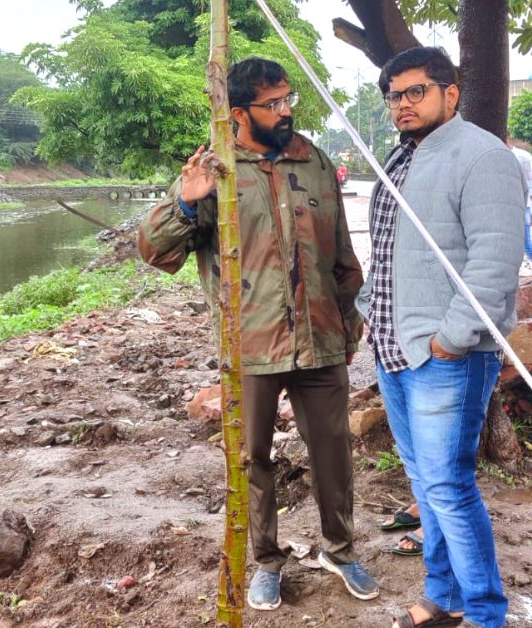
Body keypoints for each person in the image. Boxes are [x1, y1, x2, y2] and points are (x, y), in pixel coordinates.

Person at [138, 57, 377, 611]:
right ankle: (266, 561)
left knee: (333, 455)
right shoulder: (215, 169)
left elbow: (341, 252)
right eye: (273, 104)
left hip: (321, 340)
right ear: (239, 111)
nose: (286, 111)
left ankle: (339, 550)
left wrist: (349, 320)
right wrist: (184, 201)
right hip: (250, 348)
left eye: (288, 99)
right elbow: (154, 252)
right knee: (254, 461)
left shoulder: (312, 160)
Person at [357, 46, 525, 628]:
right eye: (393, 96)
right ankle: (444, 596)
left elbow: (495, 261)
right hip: (394, 346)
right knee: (425, 484)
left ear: (450, 92)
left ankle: (485, 614)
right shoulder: (404, 157)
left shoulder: (481, 156)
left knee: (449, 487)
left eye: (414, 92)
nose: (402, 104)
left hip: (445, 354)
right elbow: (388, 247)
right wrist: (368, 306)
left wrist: (452, 338)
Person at [507, 137, 532, 264]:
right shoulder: (523, 155)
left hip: (523, 203)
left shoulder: (518, 157)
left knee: (525, 239)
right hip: (523, 202)